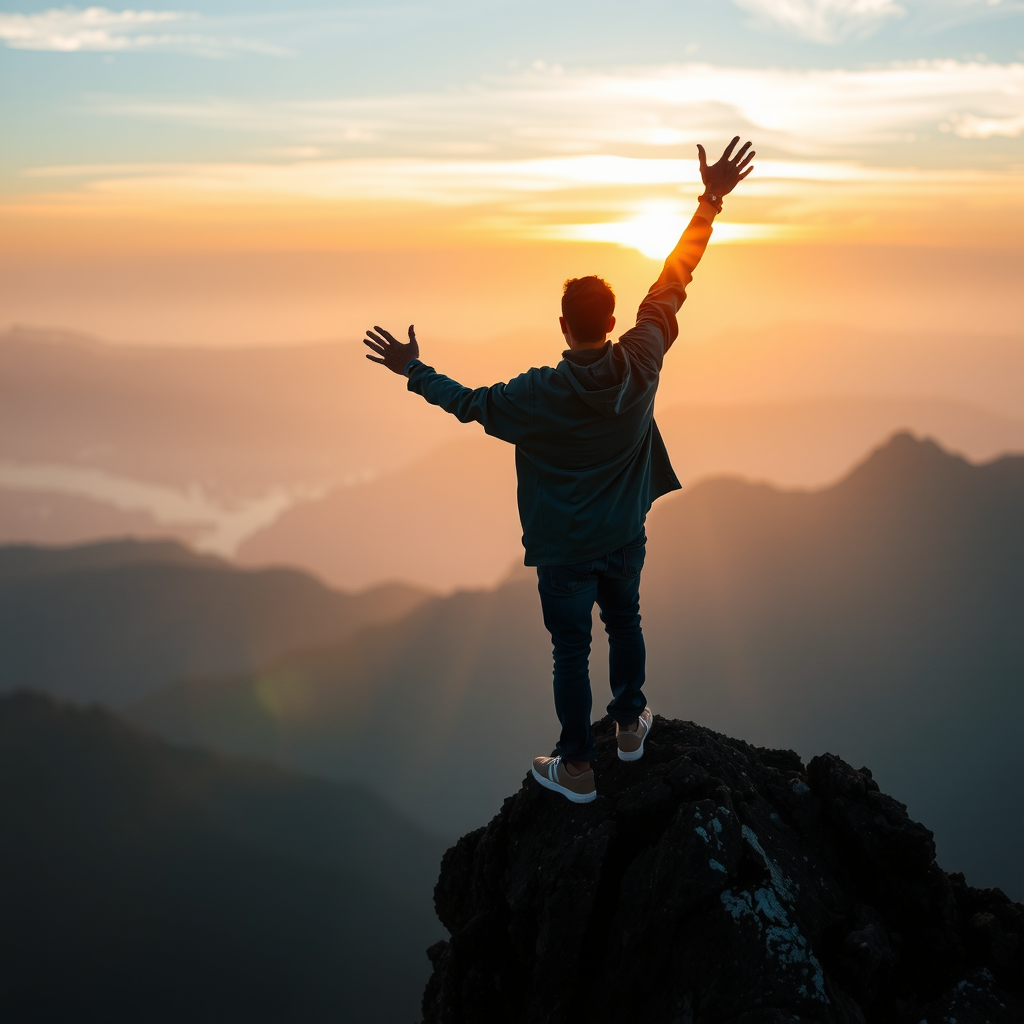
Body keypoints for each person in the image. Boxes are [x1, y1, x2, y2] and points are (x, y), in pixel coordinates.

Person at [364, 137, 755, 804]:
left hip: (564, 548)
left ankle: (577, 767)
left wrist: (412, 370)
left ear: (564, 326)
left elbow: (467, 404)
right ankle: (631, 724)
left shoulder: (535, 394)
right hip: (624, 533)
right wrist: (710, 200)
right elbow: (673, 281)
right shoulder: (643, 356)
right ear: (612, 320)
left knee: (570, 651)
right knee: (625, 620)